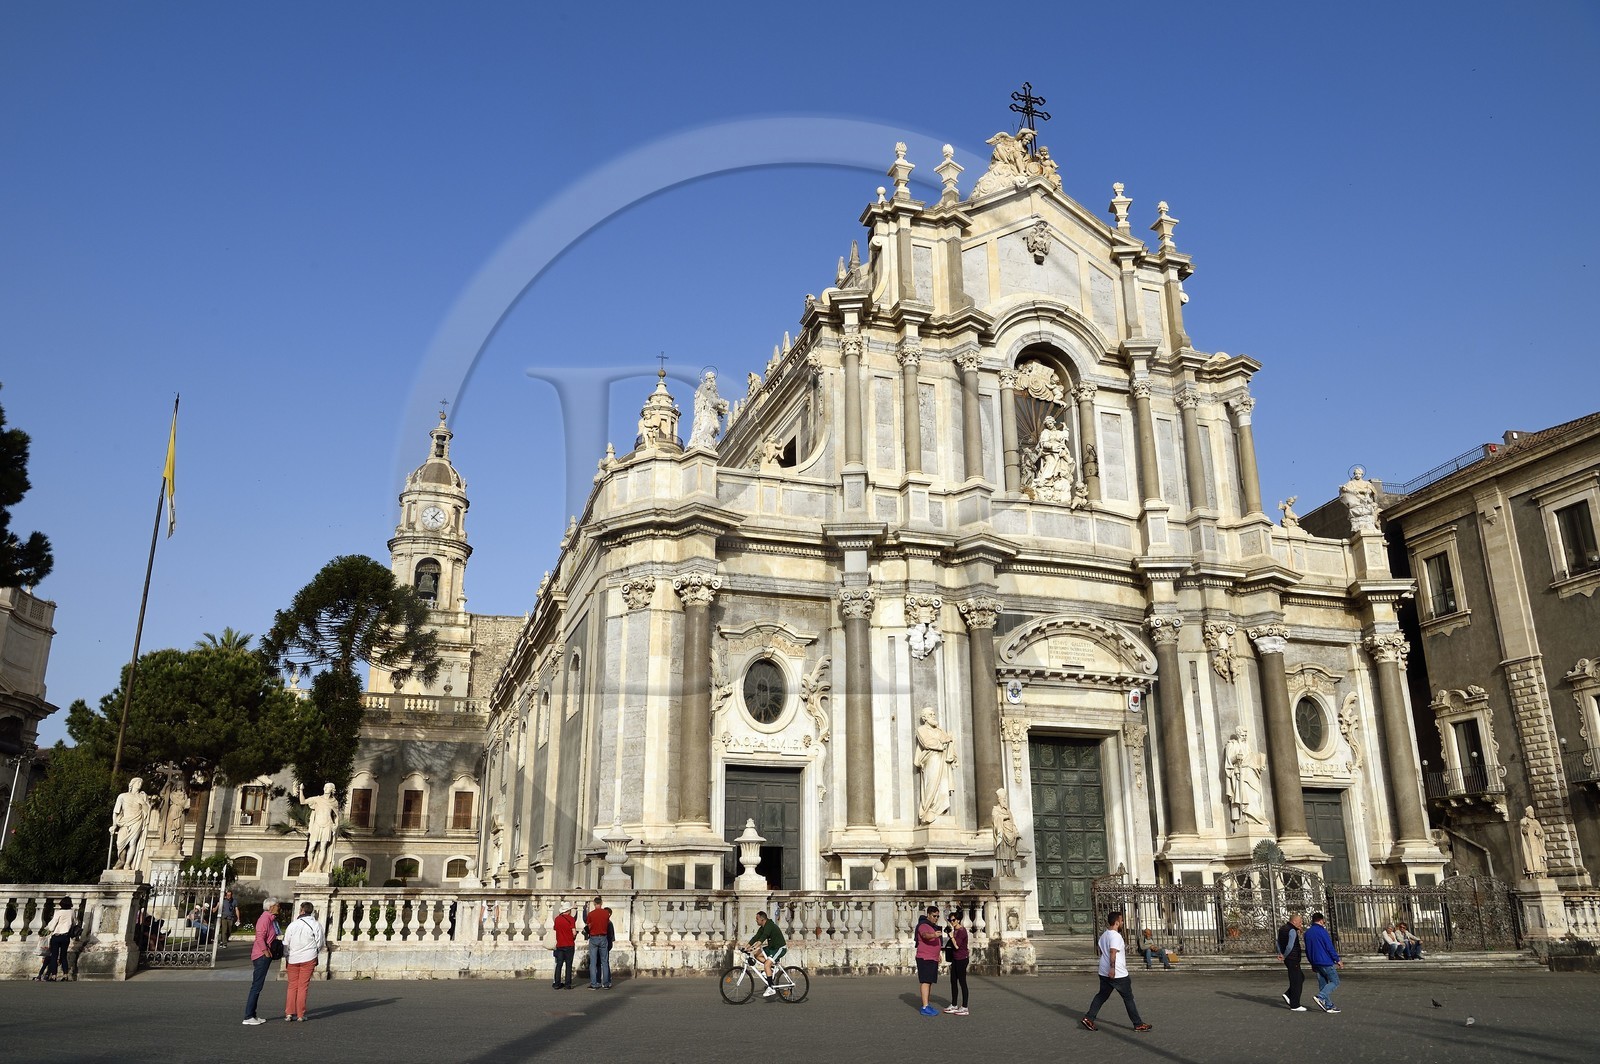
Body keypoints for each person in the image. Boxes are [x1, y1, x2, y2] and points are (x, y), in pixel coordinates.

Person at [1081, 910, 1151, 1032]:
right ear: (1117, 922)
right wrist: (1112, 968)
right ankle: (1138, 1024)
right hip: (1117, 973)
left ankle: (1089, 1018)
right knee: (1128, 998)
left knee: (1101, 995)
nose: (1123, 922)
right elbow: (1113, 952)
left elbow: (1102, 952)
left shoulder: (1104, 935)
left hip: (1103, 971)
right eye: (1122, 920)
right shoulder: (1115, 936)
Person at [282, 901, 324, 1021]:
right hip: (308, 957)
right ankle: (300, 1014)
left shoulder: (292, 925)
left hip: (293, 957)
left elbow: (286, 943)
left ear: (301, 910)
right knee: (303, 986)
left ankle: (289, 1012)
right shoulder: (316, 925)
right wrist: (315, 952)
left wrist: (286, 956)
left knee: (292, 986)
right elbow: (320, 942)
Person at [243, 899, 282, 1026]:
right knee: (256, 986)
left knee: (258, 986)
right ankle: (248, 1015)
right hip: (261, 955)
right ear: (270, 907)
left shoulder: (270, 919)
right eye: (277, 905)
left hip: (265, 954)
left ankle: (252, 1014)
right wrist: (265, 951)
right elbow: (259, 937)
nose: (279, 907)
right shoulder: (264, 919)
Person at [296, 782, 340, 873]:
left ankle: (319, 868)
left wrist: (336, 826)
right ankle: (310, 864)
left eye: (327, 787)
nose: (325, 789)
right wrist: (301, 790)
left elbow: (336, 816)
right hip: (317, 825)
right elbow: (302, 801)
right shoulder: (317, 799)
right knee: (311, 847)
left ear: (332, 790)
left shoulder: (334, 802)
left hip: (328, 825)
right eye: (324, 787)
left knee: (323, 847)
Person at [1305, 912, 1343, 1014]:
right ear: (1321, 920)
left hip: (1315, 961)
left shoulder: (1307, 933)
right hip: (1325, 961)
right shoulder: (1322, 931)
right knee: (1335, 982)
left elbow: (1307, 950)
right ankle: (1320, 997)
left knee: (1323, 983)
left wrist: (1311, 963)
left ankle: (1328, 1005)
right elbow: (1329, 947)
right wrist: (1337, 960)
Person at [746, 910, 787, 998]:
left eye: (757, 919)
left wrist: (754, 947)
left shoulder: (769, 926)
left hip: (779, 949)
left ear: (762, 919)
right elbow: (756, 937)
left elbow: (763, 938)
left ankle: (771, 988)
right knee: (756, 954)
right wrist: (746, 946)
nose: (756, 921)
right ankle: (771, 970)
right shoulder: (763, 927)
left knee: (766, 965)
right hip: (771, 948)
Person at [914, 904, 943, 1016]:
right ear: (929, 915)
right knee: (925, 981)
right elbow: (925, 936)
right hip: (925, 957)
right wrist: (934, 935)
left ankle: (927, 1004)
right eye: (934, 916)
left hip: (932, 957)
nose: (936, 918)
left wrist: (938, 954)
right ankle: (925, 1006)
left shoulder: (932, 926)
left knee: (929, 981)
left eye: (937, 916)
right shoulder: (923, 925)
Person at [1277, 912, 1307, 1011]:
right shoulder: (1292, 931)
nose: (1301, 924)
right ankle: (1295, 1004)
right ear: (1294, 921)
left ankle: (1288, 995)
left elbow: (1278, 942)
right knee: (1296, 981)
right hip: (1292, 958)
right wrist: (1284, 955)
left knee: (1300, 977)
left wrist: (1280, 953)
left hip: (1289, 958)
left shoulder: (1282, 929)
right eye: (1299, 922)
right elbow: (1290, 946)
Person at [942, 911, 970, 1016]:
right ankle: (954, 1004)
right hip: (955, 958)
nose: (952, 922)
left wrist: (952, 936)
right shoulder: (955, 930)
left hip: (962, 958)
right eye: (950, 920)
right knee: (953, 981)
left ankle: (965, 1006)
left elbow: (957, 945)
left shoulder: (962, 931)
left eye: (953, 920)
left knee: (962, 982)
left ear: (958, 920)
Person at [42, 896, 75, 981]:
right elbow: (74, 923)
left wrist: (48, 928)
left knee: (54, 956)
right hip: (66, 936)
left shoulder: (59, 912)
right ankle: (65, 975)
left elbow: (52, 926)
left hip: (56, 936)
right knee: (63, 956)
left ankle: (54, 975)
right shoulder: (72, 912)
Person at [584, 899, 611, 989]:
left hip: (594, 937)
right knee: (604, 962)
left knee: (593, 962)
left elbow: (588, 925)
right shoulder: (606, 913)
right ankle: (606, 983)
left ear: (594, 904)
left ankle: (594, 983)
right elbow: (606, 924)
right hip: (603, 937)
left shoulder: (591, 914)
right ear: (601, 903)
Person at [552, 904, 577, 989]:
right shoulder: (571, 919)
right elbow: (574, 932)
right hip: (569, 944)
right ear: (568, 911)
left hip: (560, 944)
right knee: (568, 965)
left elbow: (555, 929)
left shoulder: (557, 919)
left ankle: (557, 983)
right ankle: (567, 984)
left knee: (559, 964)